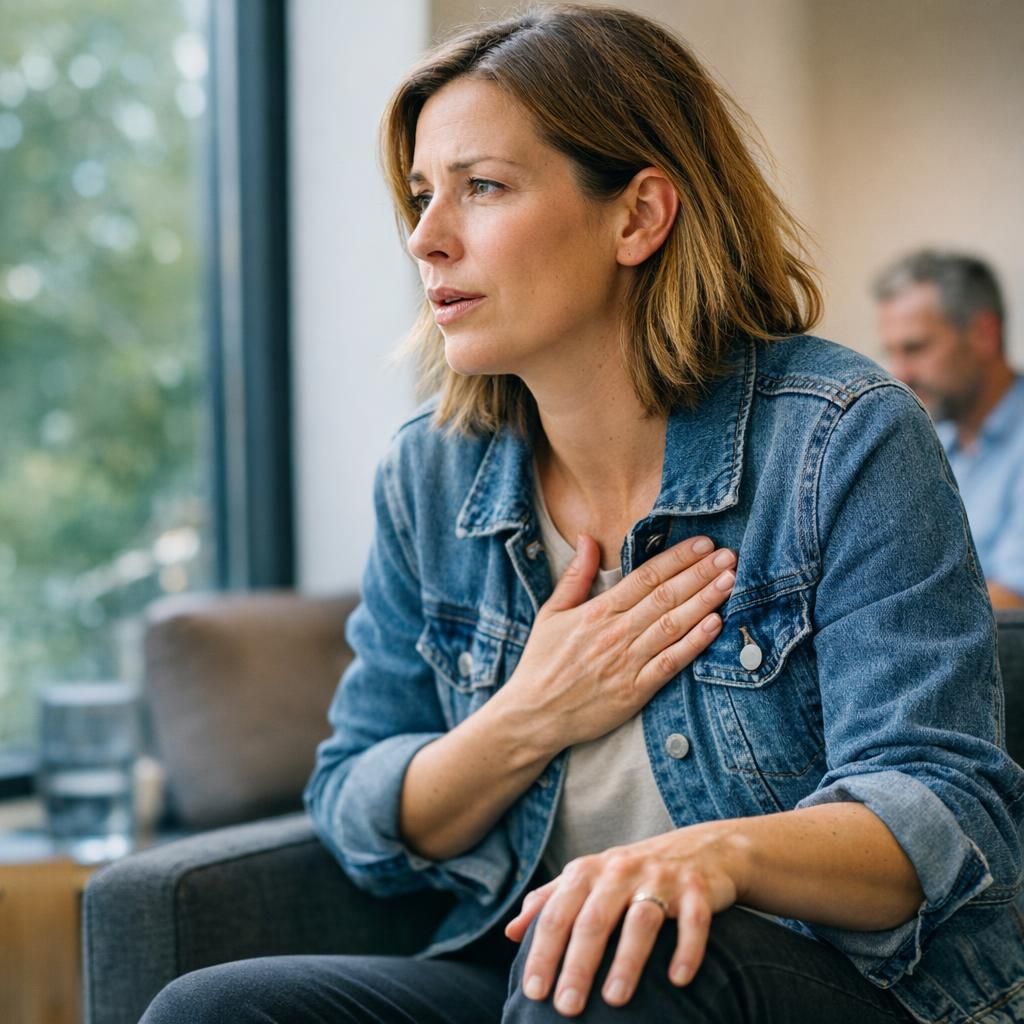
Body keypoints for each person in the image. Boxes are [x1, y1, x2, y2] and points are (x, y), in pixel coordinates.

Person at [141, 6, 1024, 1023]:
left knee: (621, 960)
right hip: (531, 970)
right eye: (423, 195)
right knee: (211, 1010)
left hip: (818, 978)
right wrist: (529, 714)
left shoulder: (842, 437)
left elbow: (940, 815)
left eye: (482, 187)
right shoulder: (429, 474)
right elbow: (353, 804)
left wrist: (701, 857)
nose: (426, 237)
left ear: (638, 216)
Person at [875, 250, 1024, 608]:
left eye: (915, 348)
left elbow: (1014, 600)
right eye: (891, 352)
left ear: (984, 334)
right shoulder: (931, 438)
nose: (900, 373)